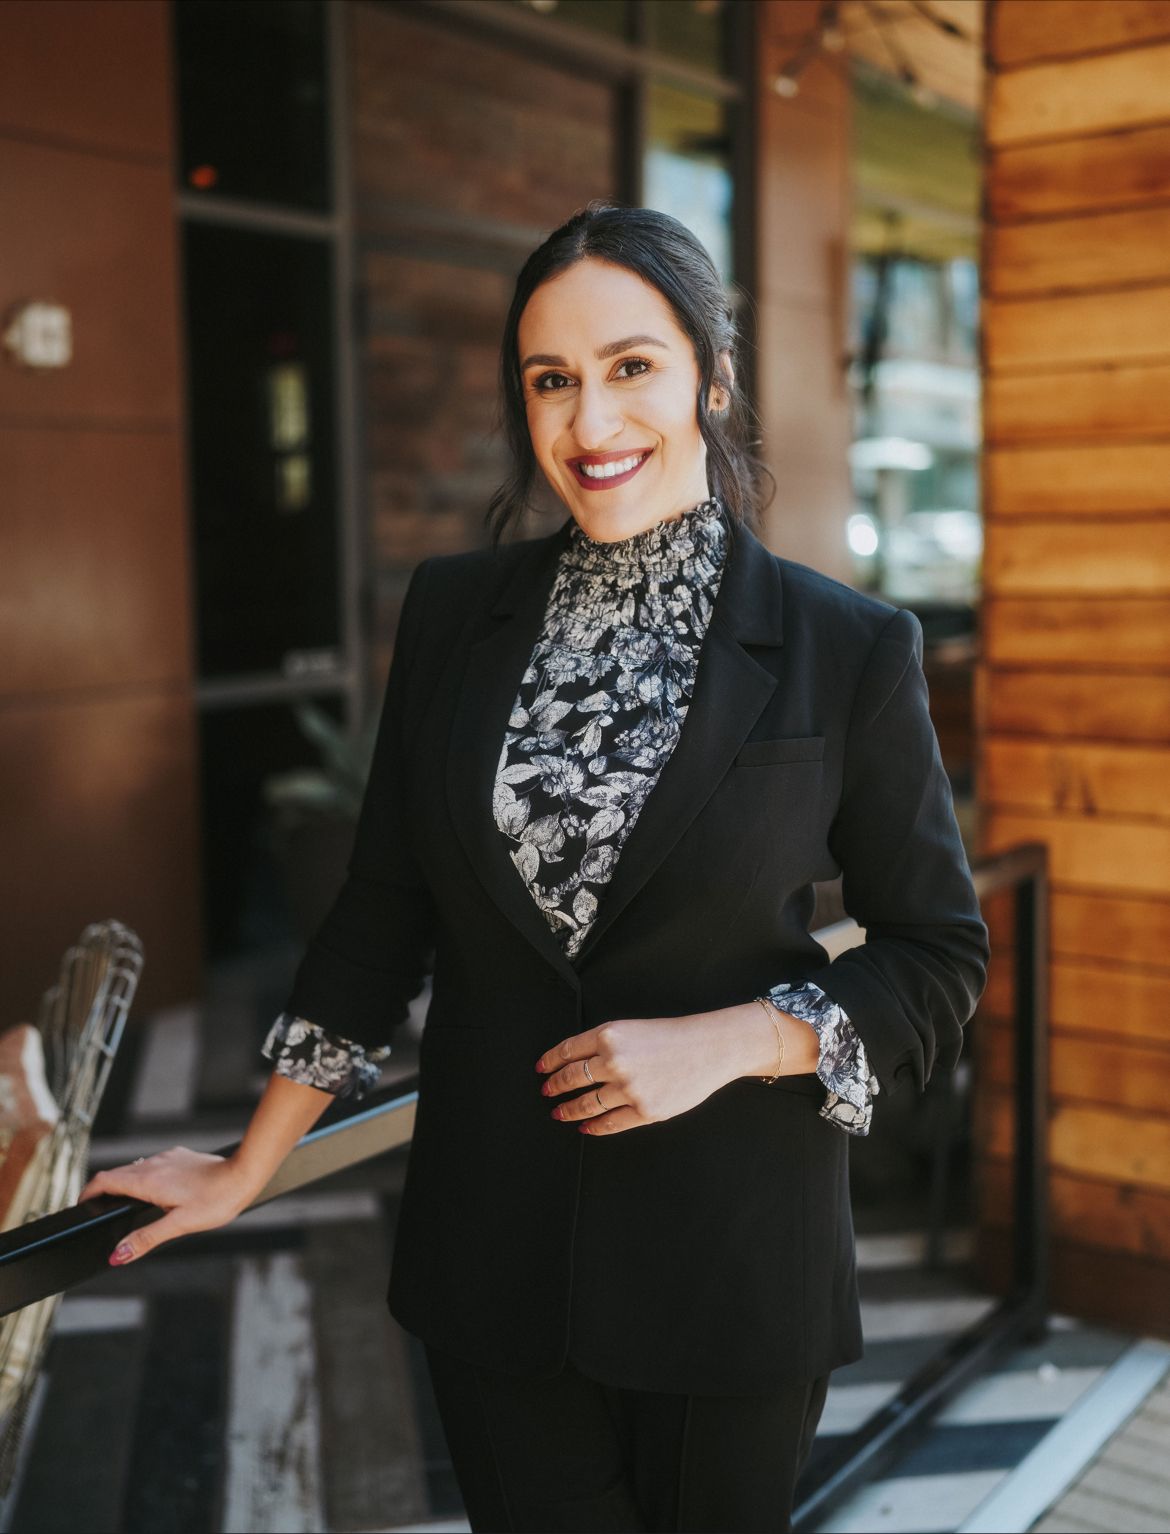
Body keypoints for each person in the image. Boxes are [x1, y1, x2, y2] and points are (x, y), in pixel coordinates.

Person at [78, 202, 989, 1533]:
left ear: (710, 377)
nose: (588, 423)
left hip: (729, 1260)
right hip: (490, 1252)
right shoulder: (455, 611)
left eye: (630, 367)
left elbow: (937, 953)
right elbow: (381, 909)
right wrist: (248, 1165)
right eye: (550, 380)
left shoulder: (845, 648)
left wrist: (738, 1038)